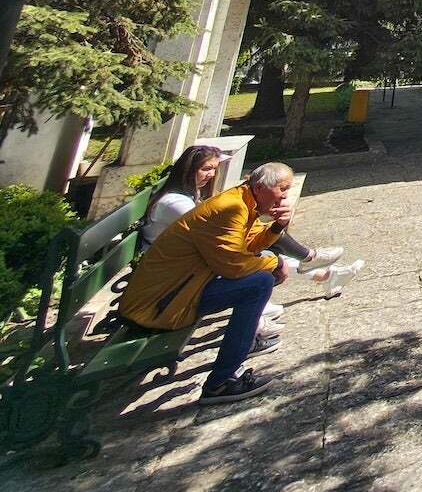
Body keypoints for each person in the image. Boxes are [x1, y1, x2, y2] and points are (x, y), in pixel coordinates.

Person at [121, 162, 297, 405]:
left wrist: (277, 226)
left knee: (260, 277)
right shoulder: (231, 208)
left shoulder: (244, 201)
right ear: (259, 188)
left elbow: (250, 246)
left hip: (181, 289)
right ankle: (221, 382)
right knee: (259, 283)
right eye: (282, 189)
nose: (285, 196)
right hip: (160, 304)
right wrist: (275, 262)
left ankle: (245, 341)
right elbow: (234, 266)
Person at [141, 145, 360, 303]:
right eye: (205, 169)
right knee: (264, 256)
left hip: (194, 258)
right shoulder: (176, 203)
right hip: (177, 271)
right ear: (188, 170)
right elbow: (215, 238)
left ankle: (322, 271)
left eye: (214, 168)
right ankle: (313, 264)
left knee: (266, 245)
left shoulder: (190, 195)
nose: (212, 174)